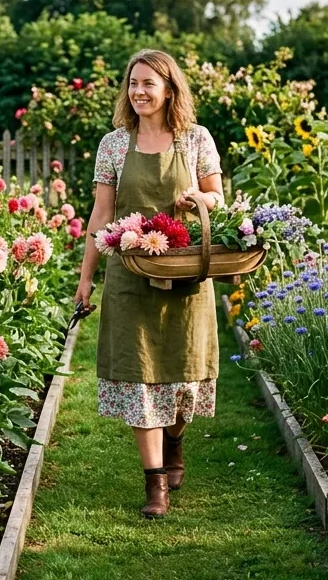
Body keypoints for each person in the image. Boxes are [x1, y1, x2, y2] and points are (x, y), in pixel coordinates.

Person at [74, 48, 224, 519]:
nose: (139, 92)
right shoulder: (115, 145)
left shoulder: (196, 139)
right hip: (132, 273)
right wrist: (86, 278)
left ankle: (176, 441)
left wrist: (198, 195)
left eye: (148, 84)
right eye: (133, 83)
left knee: (183, 376)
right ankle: (154, 485)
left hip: (185, 273)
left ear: (169, 89)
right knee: (140, 377)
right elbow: (101, 215)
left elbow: (218, 198)